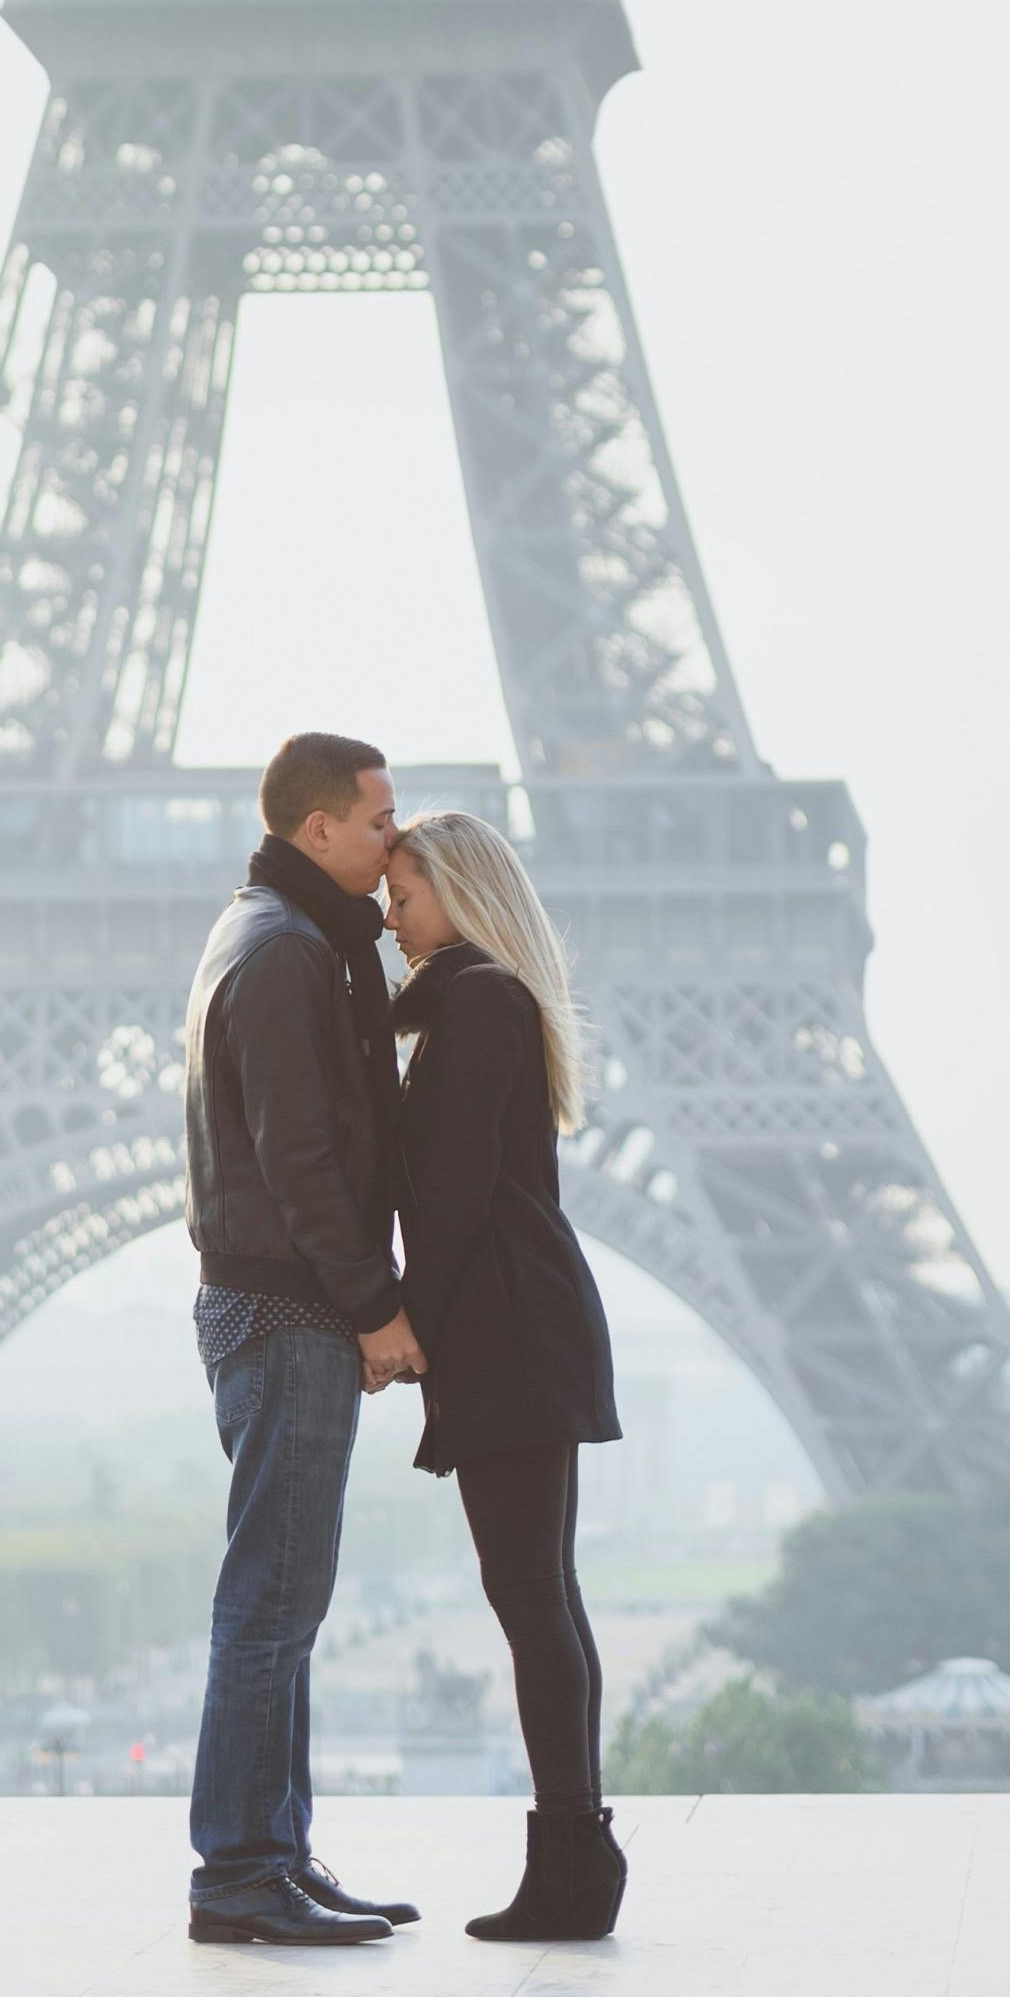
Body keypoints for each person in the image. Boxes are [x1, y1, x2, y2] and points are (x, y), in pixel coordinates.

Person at [178, 732, 430, 1946]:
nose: (396, 836)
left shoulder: (273, 933)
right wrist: (376, 1303)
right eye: (380, 818)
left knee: (286, 1598)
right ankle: (239, 1870)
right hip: (290, 1310)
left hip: (271, 1301)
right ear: (317, 826)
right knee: (273, 1601)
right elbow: (301, 1154)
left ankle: (274, 1852)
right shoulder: (286, 951)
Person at [380, 808, 628, 1943]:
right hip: (522, 1320)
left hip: (507, 1327)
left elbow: (452, 1193)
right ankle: (578, 1856)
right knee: (542, 1595)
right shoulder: (477, 999)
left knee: (529, 1597)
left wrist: (402, 1327)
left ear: (462, 892)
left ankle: (571, 1862)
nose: (391, 917)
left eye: (405, 894)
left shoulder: (475, 1002)